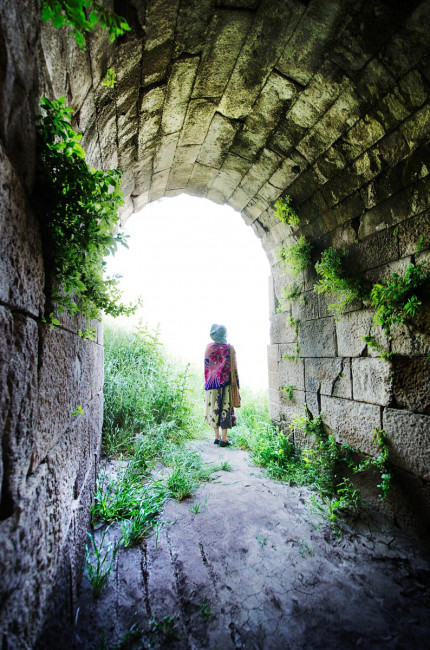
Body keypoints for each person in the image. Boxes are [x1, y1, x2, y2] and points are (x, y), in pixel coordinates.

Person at [204, 323, 240, 447]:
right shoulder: (229, 349)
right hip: (225, 385)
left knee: (214, 409)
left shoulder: (208, 347)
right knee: (225, 409)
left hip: (211, 385)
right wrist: (237, 385)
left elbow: (207, 367)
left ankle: (216, 437)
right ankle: (224, 439)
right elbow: (234, 369)